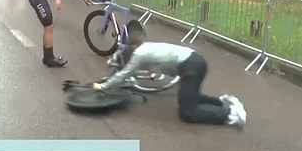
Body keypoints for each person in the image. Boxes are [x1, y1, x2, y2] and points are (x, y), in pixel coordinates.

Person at [92, 21, 247, 128]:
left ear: (133, 45)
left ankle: (231, 114)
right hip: (196, 61)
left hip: (191, 66)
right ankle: (222, 101)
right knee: (188, 98)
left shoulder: (139, 54)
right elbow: (155, 64)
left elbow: (123, 75)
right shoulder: (148, 48)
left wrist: (104, 86)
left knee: (188, 112)